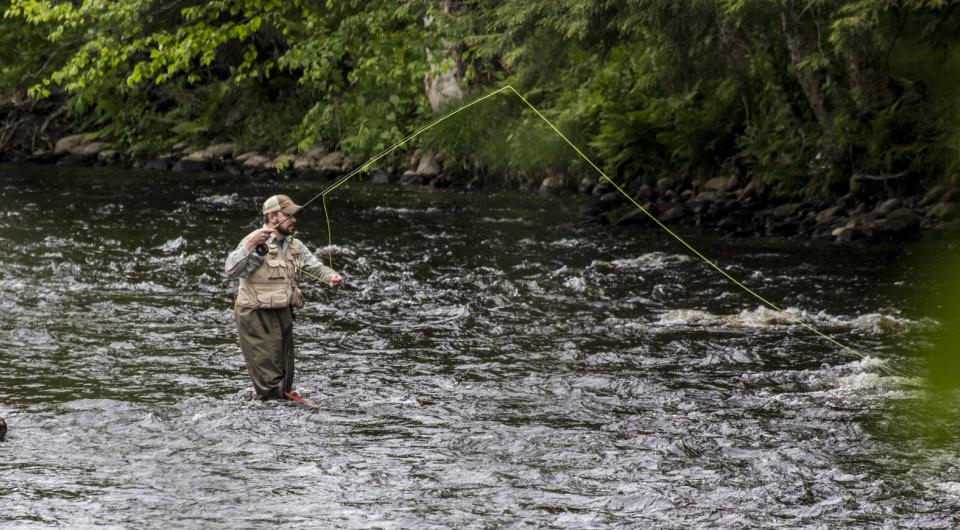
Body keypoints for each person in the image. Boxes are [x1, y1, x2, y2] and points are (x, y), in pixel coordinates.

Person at [225, 194, 344, 400]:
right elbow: (231, 270)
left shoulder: (295, 245)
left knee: (286, 371)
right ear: (272, 217)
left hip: (283, 312)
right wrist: (252, 244)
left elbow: (314, 267)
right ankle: (270, 408)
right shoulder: (254, 239)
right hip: (254, 314)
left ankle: (281, 402)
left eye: (295, 215)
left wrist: (330, 276)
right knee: (268, 375)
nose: (294, 220)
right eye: (289, 215)